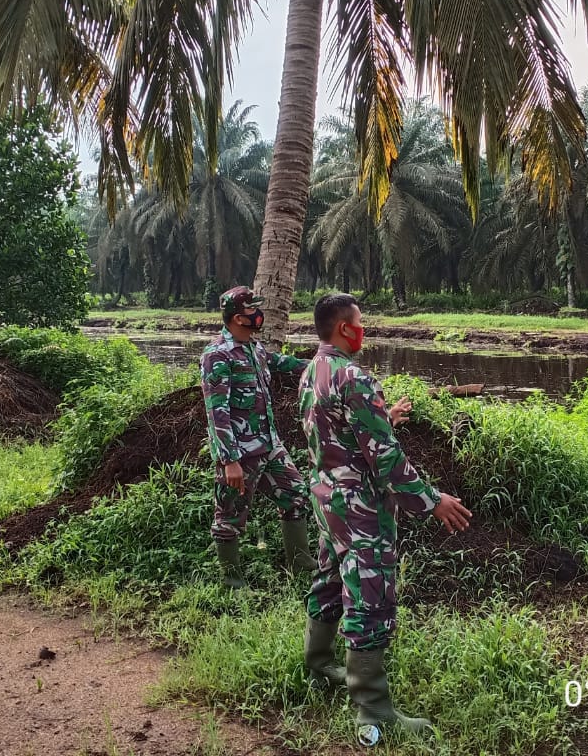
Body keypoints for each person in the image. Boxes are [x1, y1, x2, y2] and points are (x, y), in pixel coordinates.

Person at [298, 293, 472, 746]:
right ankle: (372, 710)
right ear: (343, 329)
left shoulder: (313, 369)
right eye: (360, 323)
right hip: (359, 508)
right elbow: (386, 459)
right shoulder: (354, 376)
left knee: (331, 579)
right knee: (370, 597)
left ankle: (318, 665)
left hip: (328, 498)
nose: (364, 330)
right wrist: (432, 501)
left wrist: (384, 416)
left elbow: (333, 431)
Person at [200, 285, 315, 589]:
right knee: (230, 517)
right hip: (240, 453)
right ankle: (232, 582)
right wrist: (229, 461)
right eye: (253, 310)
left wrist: (321, 365)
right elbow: (217, 413)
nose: (258, 314)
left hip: (269, 445)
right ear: (238, 317)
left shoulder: (255, 347)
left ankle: (300, 566)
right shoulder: (217, 355)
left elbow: (280, 364)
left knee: (296, 495)